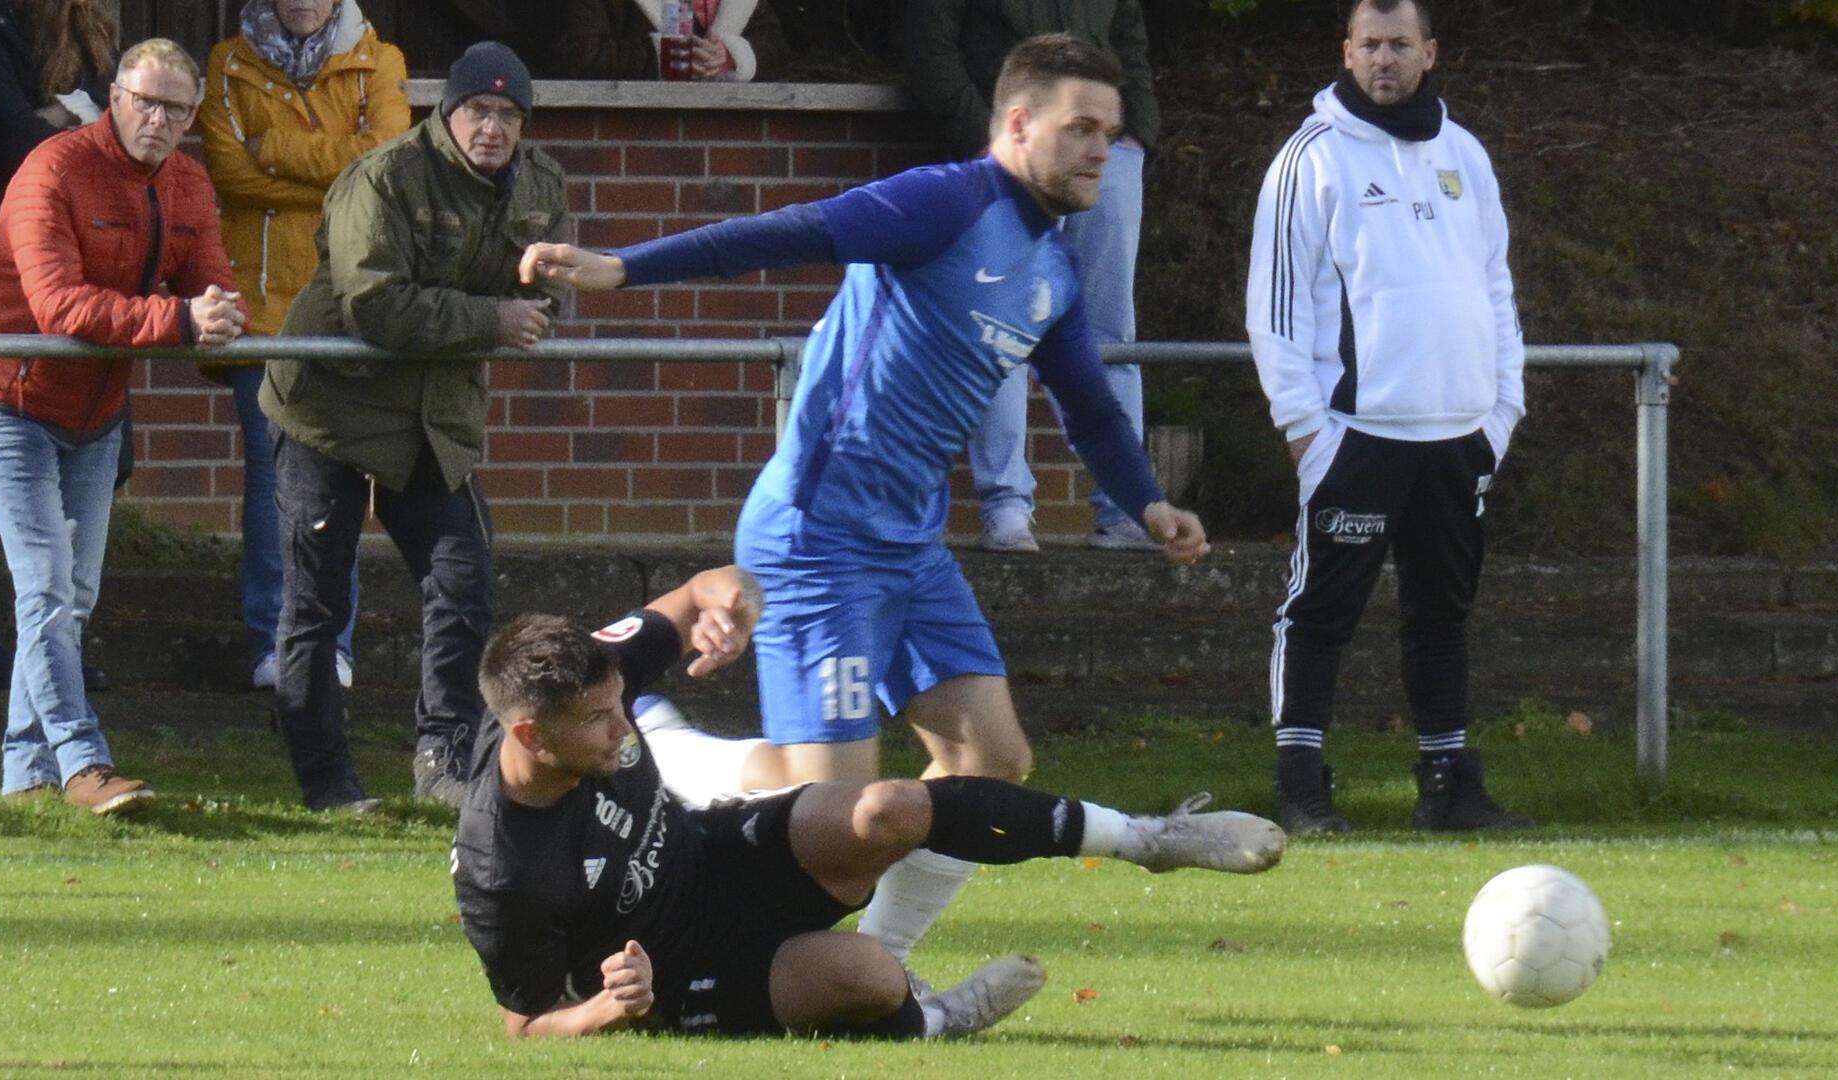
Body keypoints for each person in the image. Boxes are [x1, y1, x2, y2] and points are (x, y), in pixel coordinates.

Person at [519, 33, 1212, 975]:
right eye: (1080, 127)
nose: (1100, 148)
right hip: (818, 540)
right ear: (1016, 123)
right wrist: (624, 269)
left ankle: (883, 963)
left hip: (911, 549)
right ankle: (673, 753)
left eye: (1111, 132)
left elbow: (1086, 401)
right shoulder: (945, 202)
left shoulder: (1050, 268)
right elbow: (790, 232)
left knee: (991, 759)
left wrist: (1147, 502)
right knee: (829, 813)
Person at [454, 566, 1285, 1039]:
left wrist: (726, 608)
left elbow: (705, 588)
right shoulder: (503, 870)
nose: (620, 727)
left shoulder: (588, 680)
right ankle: (932, 1022)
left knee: (884, 808)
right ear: (530, 739)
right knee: (868, 972)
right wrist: (606, 1006)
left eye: (621, 706)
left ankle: (1144, 837)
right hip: (684, 972)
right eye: (599, 722)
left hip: (715, 856)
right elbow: (523, 1027)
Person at [1243, 0, 1533, 835]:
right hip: (1356, 438)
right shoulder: (1313, 158)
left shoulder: (1464, 155)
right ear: (1346, 49)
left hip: (1458, 436)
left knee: (1442, 613)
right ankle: (1301, 784)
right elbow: (1276, 309)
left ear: (1429, 52)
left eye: (1399, 44)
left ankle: (1448, 784)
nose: (1383, 59)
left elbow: (1495, 288)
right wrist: (1307, 431)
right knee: (1321, 614)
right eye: (1369, 44)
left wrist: (1499, 412)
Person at [259, 41, 570, 813]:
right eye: (477, 111)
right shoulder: (385, 176)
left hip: (436, 417)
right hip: (330, 409)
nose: (492, 128)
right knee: (316, 605)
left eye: (508, 114)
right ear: (447, 112)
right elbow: (375, 304)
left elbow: (550, 294)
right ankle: (328, 785)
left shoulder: (542, 184)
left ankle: (446, 766)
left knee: (464, 586)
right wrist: (492, 318)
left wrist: (536, 308)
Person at [0, 38, 247, 813]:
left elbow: (211, 282)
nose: (158, 119)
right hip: (6, 401)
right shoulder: (51, 169)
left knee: (73, 592)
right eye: (144, 101)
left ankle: (24, 776)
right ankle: (83, 761)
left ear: (191, 119)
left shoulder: (187, 184)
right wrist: (181, 320)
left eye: (175, 108)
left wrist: (218, 312)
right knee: (46, 585)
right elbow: (59, 309)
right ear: (113, 97)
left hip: (97, 411)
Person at [198, 0, 412, 692]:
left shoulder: (380, 60)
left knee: (336, 482)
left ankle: (329, 646)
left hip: (344, 308)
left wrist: (278, 148)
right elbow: (230, 175)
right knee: (270, 481)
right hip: (258, 311)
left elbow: (383, 163)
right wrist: (332, 171)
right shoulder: (226, 63)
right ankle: (273, 643)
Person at [903, 0, 1161, 553]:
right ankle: (1006, 506)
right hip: (1017, 157)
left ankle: (1126, 510)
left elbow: (1129, 37)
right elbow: (930, 42)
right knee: (1002, 326)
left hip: (1109, 155)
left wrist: (1136, 129)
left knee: (1114, 333)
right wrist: (991, 136)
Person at [0, 0, 118, 692]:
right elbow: (14, 138)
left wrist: (63, 126)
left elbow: (116, 134)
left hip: (69, 276)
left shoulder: (91, 30)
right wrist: (62, 124)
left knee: (94, 465)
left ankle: (50, 649)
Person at [537, 0, 791, 82]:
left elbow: (776, 50)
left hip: (730, 147)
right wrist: (663, 56)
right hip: (632, 138)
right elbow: (574, 54)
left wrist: (729, 56)